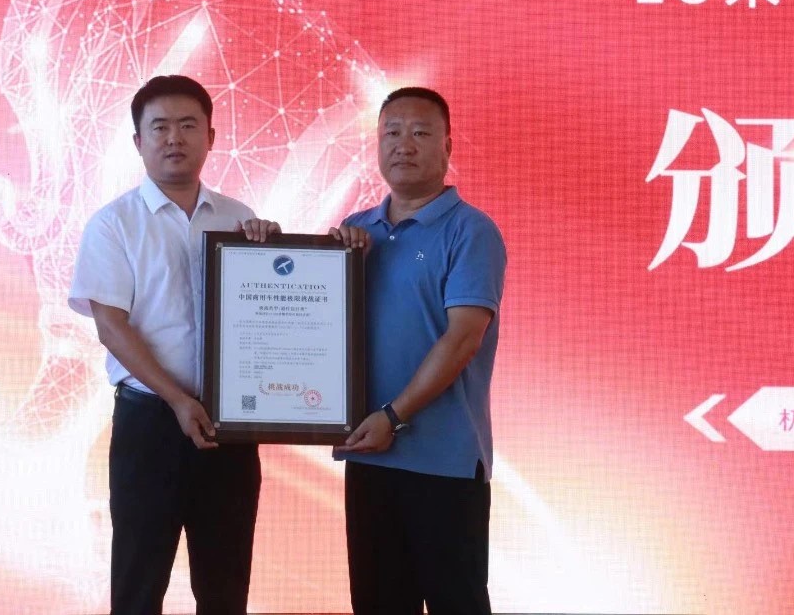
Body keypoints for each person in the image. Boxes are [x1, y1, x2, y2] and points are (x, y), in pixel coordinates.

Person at [69, 75, 279, 614]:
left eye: (188, 125)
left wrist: (281, 257)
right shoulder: (113, 224)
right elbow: (111, 326)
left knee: (225, 587)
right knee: (138, 585)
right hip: (150, 424)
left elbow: (271, 316)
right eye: (159, 127)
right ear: (138, 141)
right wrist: (179, 400)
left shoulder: (241, 219)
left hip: (229, 427)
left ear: (211, 137)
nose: (174, 138)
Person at [331, 86, 507, 614]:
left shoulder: (471, 231)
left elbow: (464, 338)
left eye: (420, 132)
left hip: (444, 462)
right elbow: (316, 331)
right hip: (369, 453)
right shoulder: (354, 233)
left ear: (447, 146)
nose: (403, 144)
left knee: (457, 603)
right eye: (392, 132)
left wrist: (393, 415)